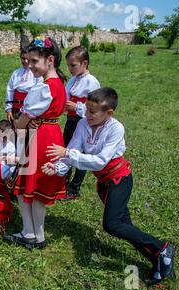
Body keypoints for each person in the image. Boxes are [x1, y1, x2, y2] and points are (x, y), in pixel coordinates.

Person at [42, 87, 176, 285]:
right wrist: (57, 167)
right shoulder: (83, 125)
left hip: (119, 180)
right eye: (86, 109)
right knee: (125, 227)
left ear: (109, 112)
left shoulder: (116, 128)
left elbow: (100, 161)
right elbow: (72, 150)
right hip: (105, 183)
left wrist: (68, 155)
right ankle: (160, 260)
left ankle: (163, 248)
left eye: (92, 112)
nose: (87, 114)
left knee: (112, 225)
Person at [4, 36, 67, 249]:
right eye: (28, 61)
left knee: (26, 186)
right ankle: (36, 234)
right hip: (50, 133)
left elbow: (21, 124)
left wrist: (23, 121)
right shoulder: (57, 82)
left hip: (38, 137)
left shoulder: (43, 87)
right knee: (36, 186)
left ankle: (30, 232)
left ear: (50, 60)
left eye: (34, 61)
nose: (29, 66)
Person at [63, 46, 101, 199]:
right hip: (71, 120)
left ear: (84, 63)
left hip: (84, 121)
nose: (70, 69)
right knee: (67, 148)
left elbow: (96, 108)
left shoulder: (92, 82)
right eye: (69, 65)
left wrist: (77, 107)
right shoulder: (73, 80)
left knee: (81, 153)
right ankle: (62, 181)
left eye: (73, 65)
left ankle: (74, 188)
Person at [5, 47, 42, 122]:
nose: (25, 61)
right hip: (16, 108)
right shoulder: (16, 73)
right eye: (23, 58)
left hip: (30, 111)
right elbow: (10, 90)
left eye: (28, 59)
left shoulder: (37, 74)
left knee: (28, 132)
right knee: (16, 130)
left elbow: (37, 94)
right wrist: (9, 108)